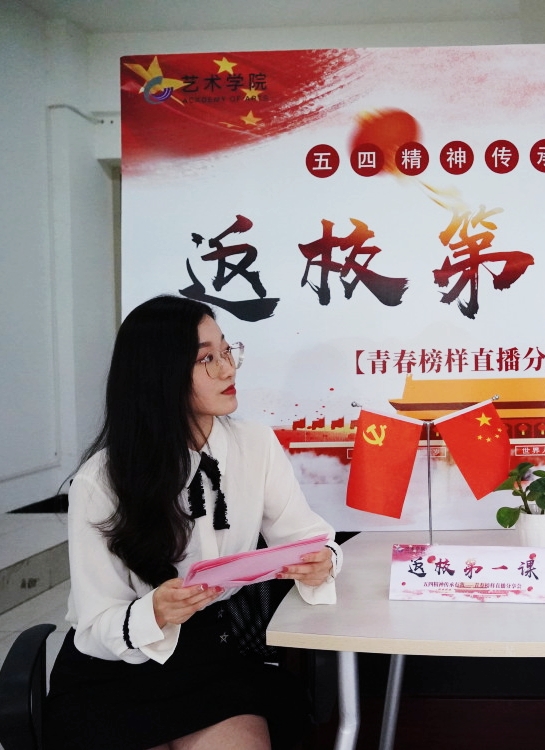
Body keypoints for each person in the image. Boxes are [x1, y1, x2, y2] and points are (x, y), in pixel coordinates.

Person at [44, 295, 343, 750]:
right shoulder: (100, 481)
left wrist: (323, 561)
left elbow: (307, 537)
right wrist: (155, 611)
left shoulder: (256, 444)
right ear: (160, 375)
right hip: (115, 671)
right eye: (207, 359)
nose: (228, 369)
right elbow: (95, 624)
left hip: (214, 658)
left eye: (227, 350)